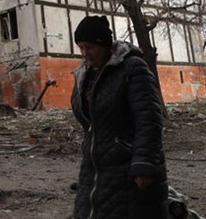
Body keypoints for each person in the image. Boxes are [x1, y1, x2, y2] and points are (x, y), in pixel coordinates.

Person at [70, 15, 168, 219]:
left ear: (104, 44)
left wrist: (144, 163)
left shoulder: (132, 68)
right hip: (95, 166)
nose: (85, 53)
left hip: (128, 166)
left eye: (90, 47)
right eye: (81, 47)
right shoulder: (84, 75)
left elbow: (148, 119)